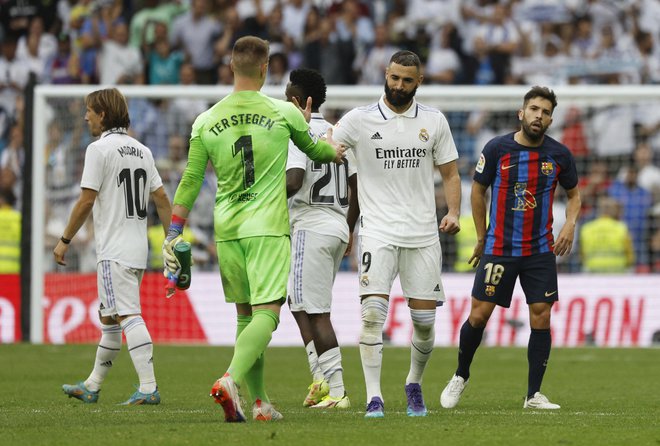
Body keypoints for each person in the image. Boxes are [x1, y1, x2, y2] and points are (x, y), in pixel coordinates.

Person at [161, 36, 345, 423]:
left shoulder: (206, 120)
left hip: (227, 228)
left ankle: (260, 403)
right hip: (267, 228)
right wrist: (330, 145)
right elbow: (319, 155)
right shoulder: (284, 113)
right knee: (269, 314)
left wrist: (174, 230)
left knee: (245, 317)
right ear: (265, 69)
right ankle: (231, 379)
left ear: (231, 66)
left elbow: (192, 179)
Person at [331, 50, 462, 418]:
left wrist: (453, 211)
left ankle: (413, 383)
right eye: (394, 77)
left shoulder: (434, 121)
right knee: (372, 315)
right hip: (377, 231)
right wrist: (327, 146)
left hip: (422, 234)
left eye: (407, 80)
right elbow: (327, 143)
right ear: (385, 75)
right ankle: (375, 396)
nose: (399, 85)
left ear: (418, 81)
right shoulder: (359, 119)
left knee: (424, 324)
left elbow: (451, 174)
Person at [440, 86, 581, 411]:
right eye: (534, 109)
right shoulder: (497, 148)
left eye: (545, 112)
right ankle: (461, 375)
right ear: (522, 113)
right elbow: (478, 192)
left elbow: (574, 195)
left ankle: (533, 395)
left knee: (541, 316)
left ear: (550, 119)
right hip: (500, 248)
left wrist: (570, 225)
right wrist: (481, 237)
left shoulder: (559, 155)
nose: (538, 116)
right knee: (479, 314)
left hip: (539, 251)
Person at [55, 88, 172, 405]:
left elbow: (85, 201)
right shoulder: (142, 150)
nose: (85, 116)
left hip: (113, 250)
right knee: (109, 319)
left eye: (89, 111)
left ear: (103, 114)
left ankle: (148, 387)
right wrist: (173, 236)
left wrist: (64, 240)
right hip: (137, 249)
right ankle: (92, 385)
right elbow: (161, 198)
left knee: (128, 316)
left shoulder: (99, 149)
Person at [285, 68, 358, 410]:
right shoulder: (338, 133)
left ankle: (337, 391)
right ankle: (320, 380)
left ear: (300, 102)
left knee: (316, 312)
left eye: (288, 99)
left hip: (310, 223)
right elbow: (356, 186)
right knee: (297, 302)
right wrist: (350, 229)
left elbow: (294, 180)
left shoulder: (296, 130)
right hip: (336, 226)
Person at [580, 196, 634, 273]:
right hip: (617, 272)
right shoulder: (621, 228)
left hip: (593, 271)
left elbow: (582, 255)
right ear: (613, 210)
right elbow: (630, 256)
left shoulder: (587, 228)